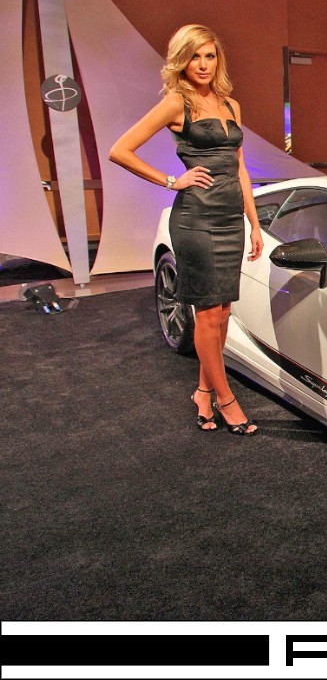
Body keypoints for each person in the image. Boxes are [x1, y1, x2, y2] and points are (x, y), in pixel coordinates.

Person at [109, 24, 262, 434]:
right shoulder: (177, 103)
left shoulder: (231, 105)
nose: (203, 64)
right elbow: (120, 150)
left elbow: (241, 168)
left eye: (209, 56)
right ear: (181, 60)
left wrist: (254, 222)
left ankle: (203, 392)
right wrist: (170, 181)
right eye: (195, 56)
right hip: (196, 219)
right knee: (207, 313)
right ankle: (227, 400)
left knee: (223, 312)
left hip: (230, 219)